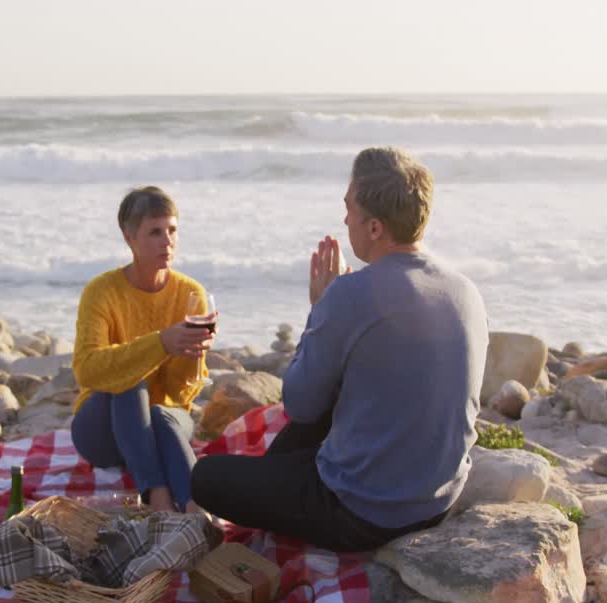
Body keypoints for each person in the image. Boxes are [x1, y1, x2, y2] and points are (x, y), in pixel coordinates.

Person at [190, 147, 488, 551]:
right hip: (438, 498)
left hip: (364, 513)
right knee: (331, 403)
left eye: (350, 209)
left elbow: (299, 405)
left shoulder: (351, 294)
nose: (345, 219)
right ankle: (277, 477)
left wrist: (321, 310)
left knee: (205, 478)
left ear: (375, 228)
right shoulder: (464, 290)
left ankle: (278, 489)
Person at [70, 186, 214, 513]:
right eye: (155, 232)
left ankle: (196, 508)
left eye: (172, 230)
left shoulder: (190, 293)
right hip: (102, 431)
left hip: (163, 422)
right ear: (129, 237)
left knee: (162, 414)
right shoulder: (101, 291)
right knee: (129, 379)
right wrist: (161, 343)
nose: (168, 241)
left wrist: (192, 356)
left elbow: (180, 393)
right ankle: (159, 497)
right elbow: (87, 370)